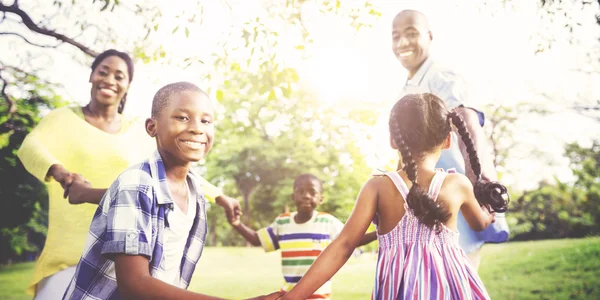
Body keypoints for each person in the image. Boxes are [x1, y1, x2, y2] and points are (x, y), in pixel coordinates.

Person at [17, 50, 241, 298]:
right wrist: (63, 174)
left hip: (126, 250)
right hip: (69, 251)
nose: (110, 80)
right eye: (103, 72)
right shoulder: (62, 118)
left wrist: (220, 196)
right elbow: (30, 147)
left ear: (127, 85)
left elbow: (174, 176)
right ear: (91, 76)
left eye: (119, 76)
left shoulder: (137, 133)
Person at [278, 93, 509, 300]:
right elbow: (480, 223)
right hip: (451, 289)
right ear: (448, 140)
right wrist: (488, 208)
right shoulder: (458, 184)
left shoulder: (377, 187)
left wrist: (290, 298)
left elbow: (344, 244)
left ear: (393, 139)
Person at [62, 81, 280, 300]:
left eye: (206, 120)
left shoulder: (195, 191)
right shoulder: (134, 183)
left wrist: (223, 198)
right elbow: (135, 285)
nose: (197, 128)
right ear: (152, 127)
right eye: (182, 118)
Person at [391, 9, 507, 269]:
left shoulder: (441, 77)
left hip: (456, 201)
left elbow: (468, 124)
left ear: (429, 37)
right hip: (426, 205)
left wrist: (481, 184)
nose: (402, 43)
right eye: (395, 36)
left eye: (411, 34)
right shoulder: (407, 89)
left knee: (456, 282)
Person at [229, 173, 377, 300]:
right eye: (301, 191)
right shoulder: (283, 222)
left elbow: (350, 241)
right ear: (293, 197)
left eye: (312, 192)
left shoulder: (328, 221)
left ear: (321, 199)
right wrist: (237, 224)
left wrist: (377, 233)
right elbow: (257, 240)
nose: (306, 195)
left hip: (318, 294)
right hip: (288, 295)